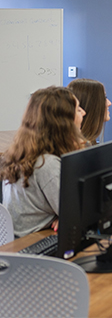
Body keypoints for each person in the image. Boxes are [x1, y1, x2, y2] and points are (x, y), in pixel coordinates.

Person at [0, 86, 85, 237]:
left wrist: (61, 215)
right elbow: (77, 216)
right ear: (63, 121)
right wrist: (65, 216)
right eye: (78, 109)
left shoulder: (22, 153)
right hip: (31, 244)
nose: (84, 112)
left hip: (16, 243)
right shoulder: (47, 164)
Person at [68, 78, 112, 145]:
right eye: (104, 98)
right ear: (91, 105)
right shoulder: (77, 150)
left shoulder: (89, 144)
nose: (109, 103)